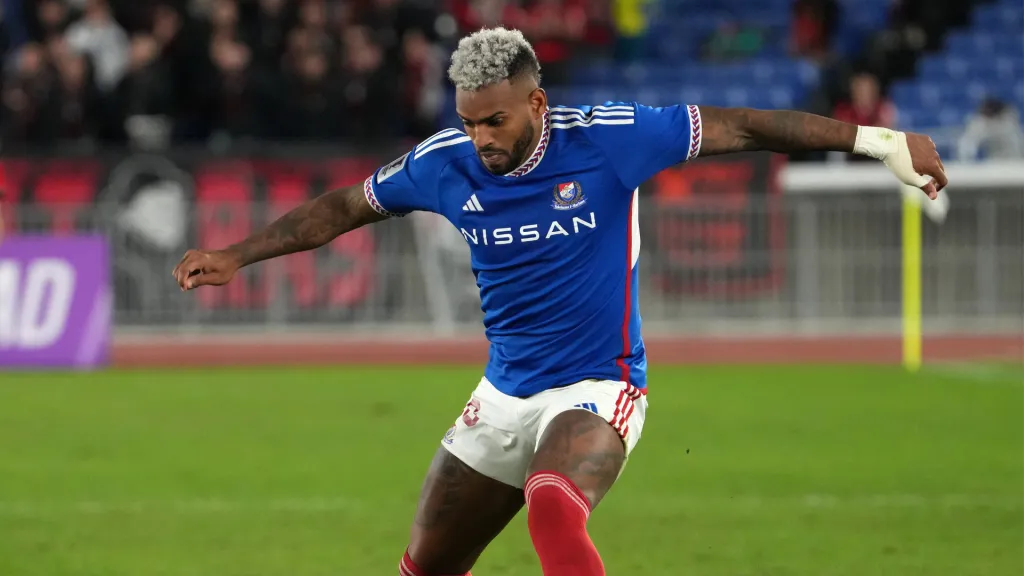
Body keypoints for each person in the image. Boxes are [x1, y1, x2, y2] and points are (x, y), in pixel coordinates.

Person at [172, 27, 947, 576]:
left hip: (599, 384)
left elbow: (745, 126)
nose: (480, 137)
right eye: (469, 121)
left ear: (536, 103)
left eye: (495, 119)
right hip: (502, 395)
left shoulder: (610, 137)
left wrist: (879, 143)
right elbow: (343, 207)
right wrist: (236, 255)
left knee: (552, 503)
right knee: (425, 567)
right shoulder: (443, 164)